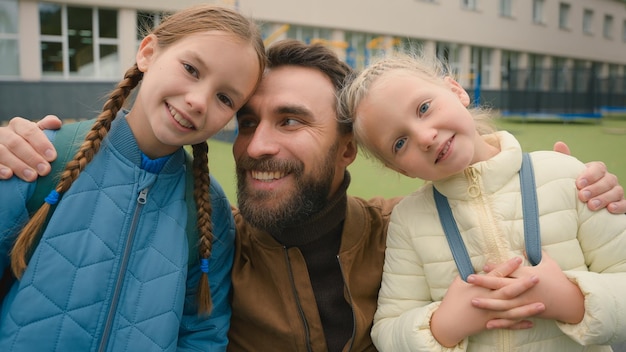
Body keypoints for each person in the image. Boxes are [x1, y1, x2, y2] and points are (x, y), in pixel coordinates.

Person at [1, 40, 625, 352]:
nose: (257, 145)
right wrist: (14, 150)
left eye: (292, 121)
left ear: (351, 149)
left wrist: (565, 180)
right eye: (246, 122)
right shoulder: (204, 240)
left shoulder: (404, 230)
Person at [0, 4, 265, 351]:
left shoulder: (212, 212)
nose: (199, 101)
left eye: (225, 98)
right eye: (191, 69)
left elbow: (202, 334)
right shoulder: (39, 157)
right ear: (148, 52)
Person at [338, 52, 626, 351]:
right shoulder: (408, 221)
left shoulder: (569, 176)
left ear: (455, 90)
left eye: (424, 108)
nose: (425, 136)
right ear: (400, 169)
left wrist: (570, 299)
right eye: (400, 143)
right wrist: (445, 324)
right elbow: (388, 331)